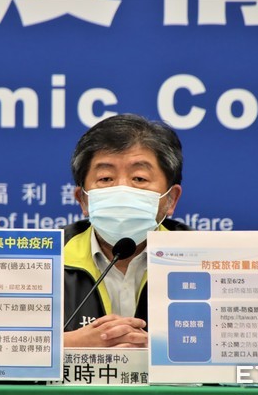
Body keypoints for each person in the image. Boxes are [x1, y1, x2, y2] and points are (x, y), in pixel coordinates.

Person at [63, 113, 190, 348]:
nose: (122, 190)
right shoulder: (46, 259)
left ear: (171, 199)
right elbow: (0, 347)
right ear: (83, 200)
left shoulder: (203, 259)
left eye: (139, 178)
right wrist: (69, 346)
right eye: (106, 178)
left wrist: (161, 353)